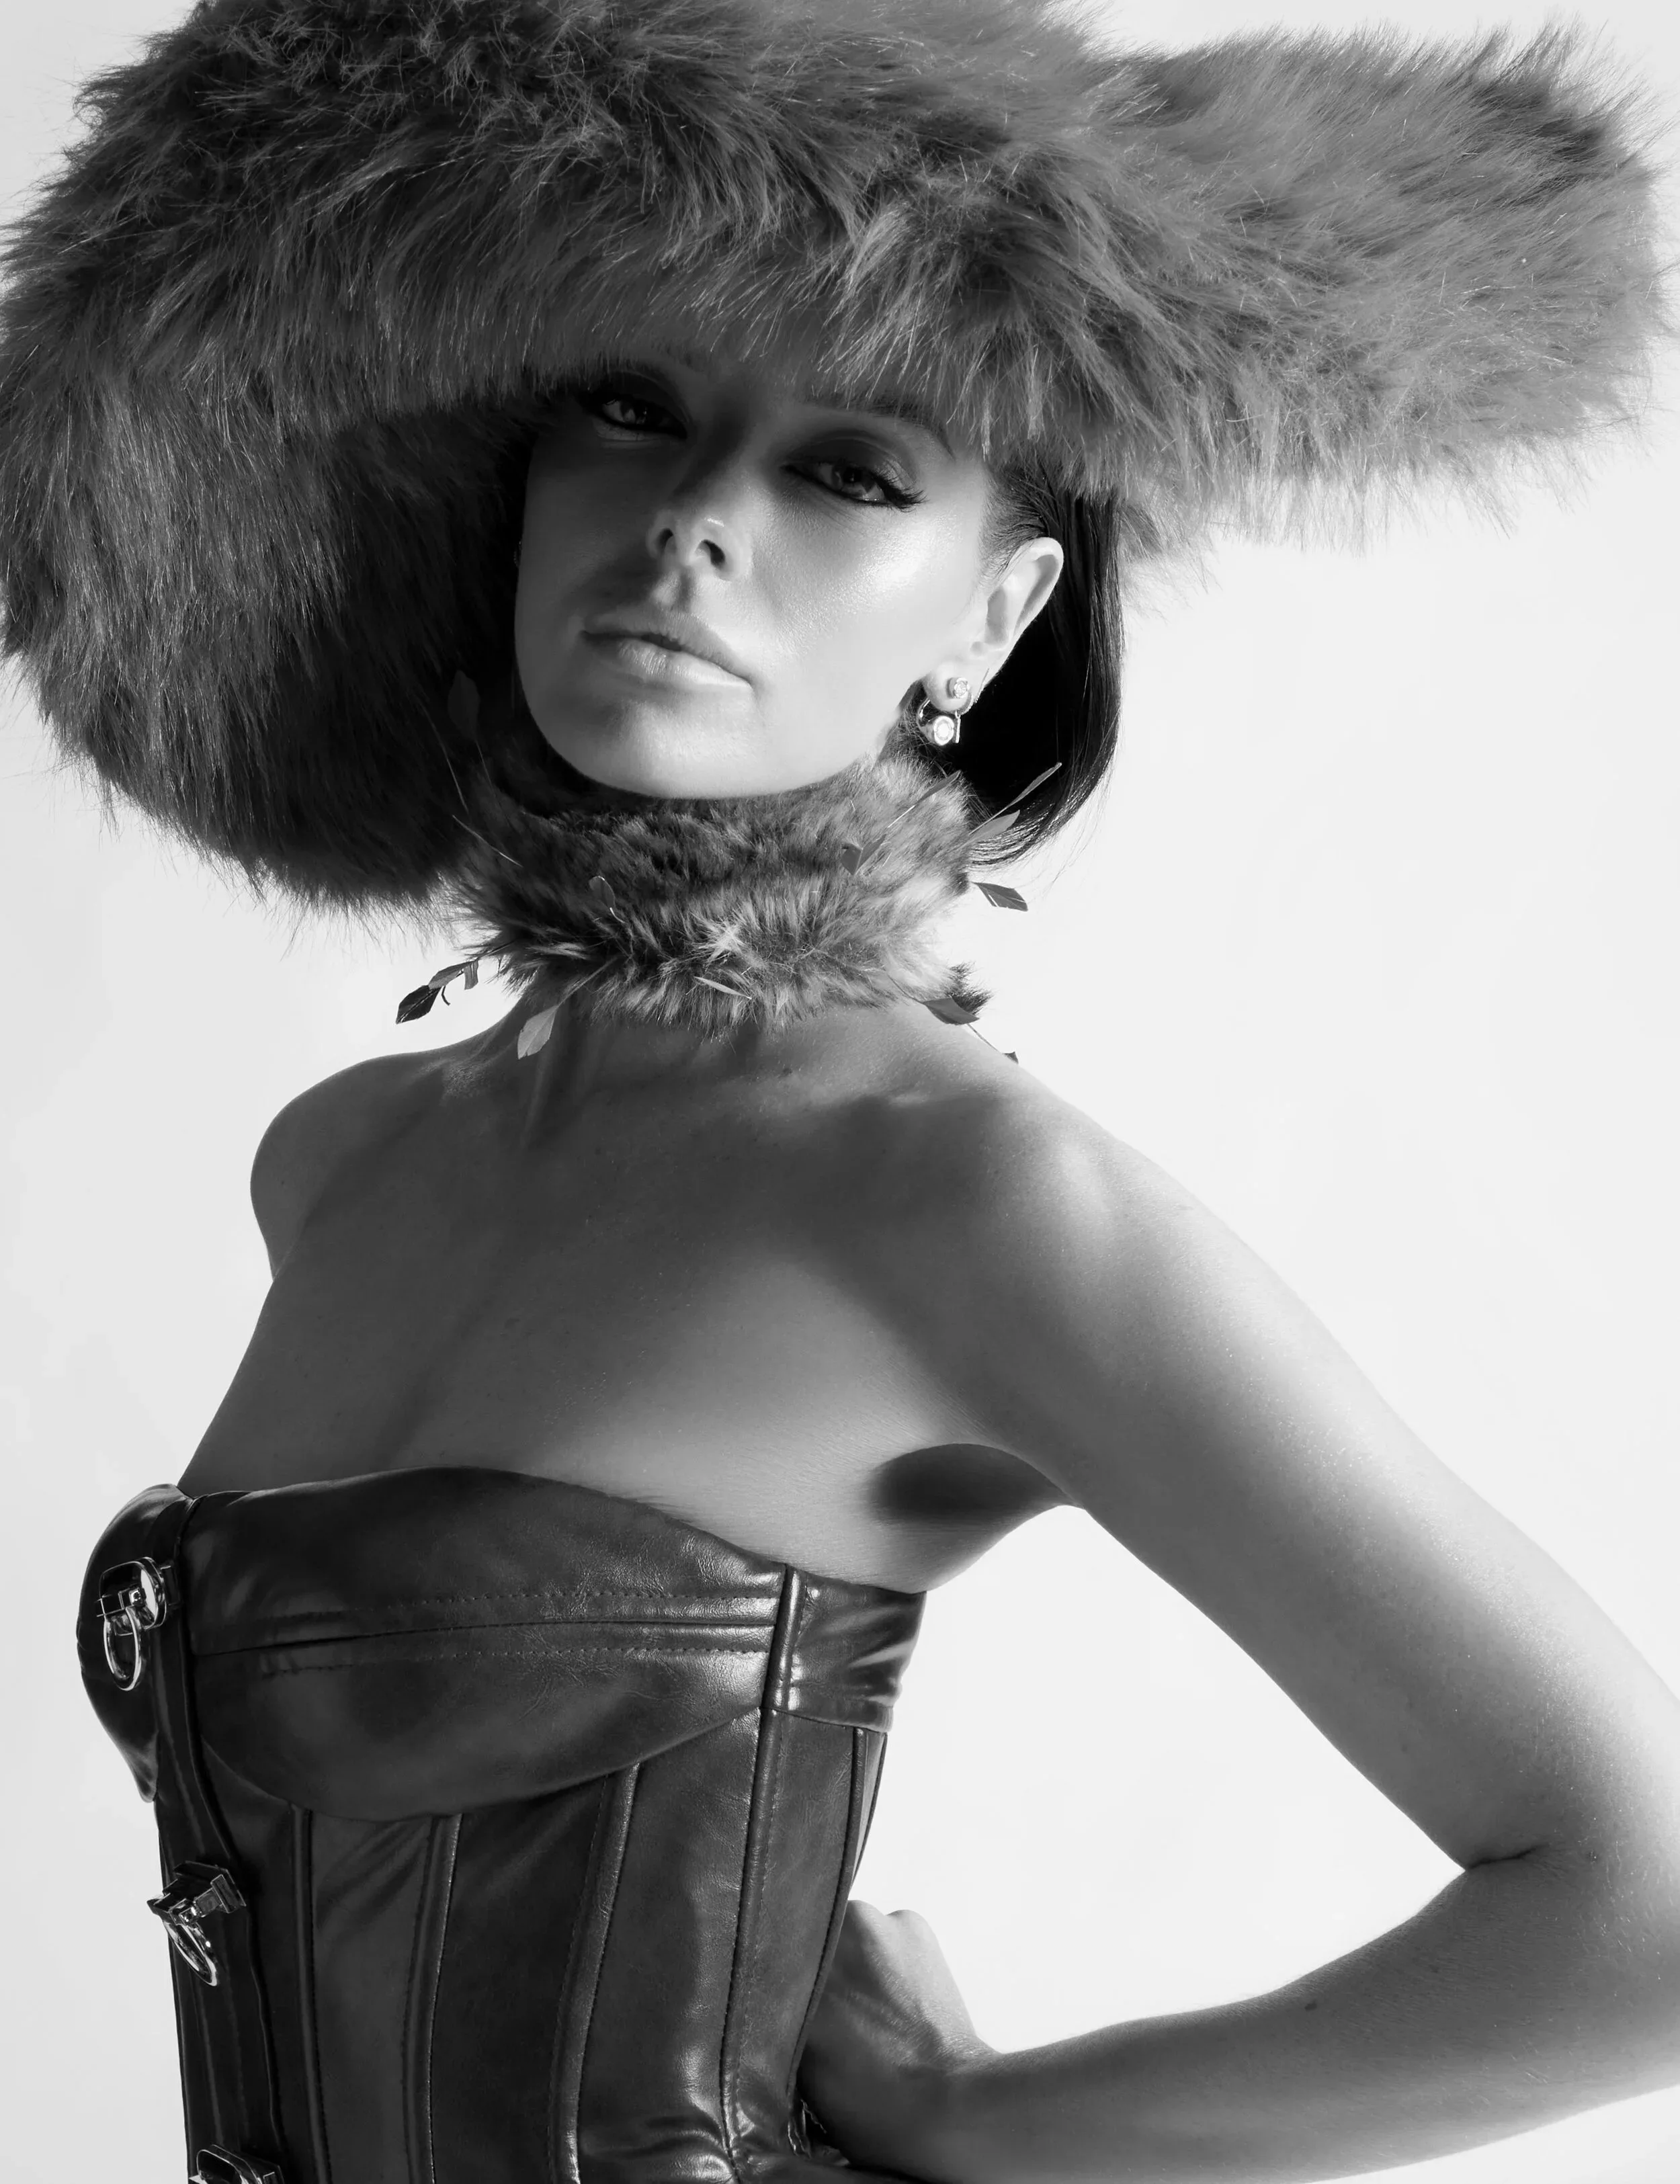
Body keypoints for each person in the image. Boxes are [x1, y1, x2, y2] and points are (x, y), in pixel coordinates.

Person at [3, 1, 1677, 2179]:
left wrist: (985, 2127)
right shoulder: (342, 1158)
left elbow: (1642, 1910)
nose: (694, 521)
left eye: (849, 469)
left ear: (990, 614)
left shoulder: (962, 1197)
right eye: (631, 408)